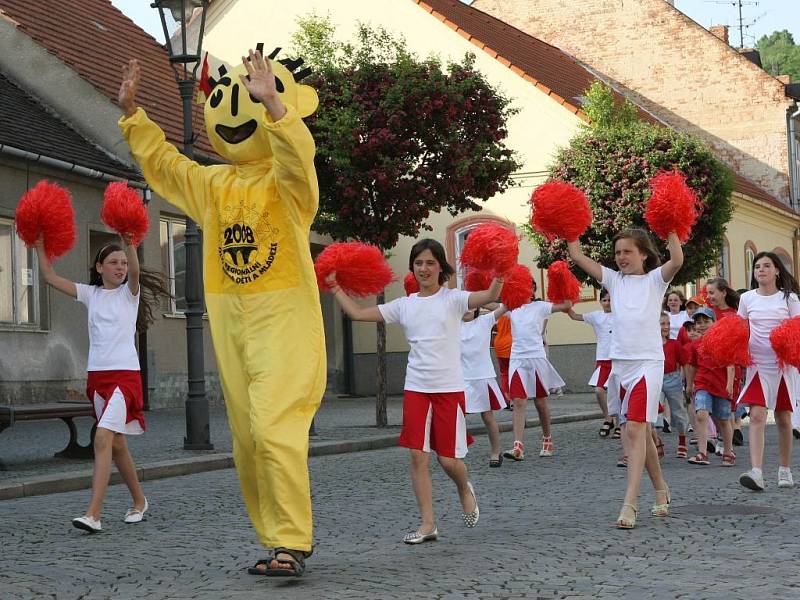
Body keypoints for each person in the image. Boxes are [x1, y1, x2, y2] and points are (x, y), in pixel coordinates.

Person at [119, 49, 326, 576]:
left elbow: (300, 163)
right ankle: (277, 537)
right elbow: (168, 167)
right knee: (248, 436)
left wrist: (275, 106)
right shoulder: (215, 187)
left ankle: (291, 540)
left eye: (250, 97)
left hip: (283, 317)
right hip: (232, 319)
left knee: (274, 425)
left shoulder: (288, 187)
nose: (238, 109)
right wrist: (133, 117)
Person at [328, 238, 502, 543]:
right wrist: (335, 287)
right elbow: (357, 314)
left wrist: (500, 269)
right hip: (417, 389)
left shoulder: (454, 299)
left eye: (430, 262)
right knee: (417, 458)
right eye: (419, 263)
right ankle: (427, 523)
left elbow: (490, 295)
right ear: (413, 268)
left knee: (448, 460)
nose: (424, 268)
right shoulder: (403, 306)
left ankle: (464, 487)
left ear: (440, 268)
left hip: (448, 389)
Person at [35, 235, 169, 533]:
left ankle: (93, 514)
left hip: (125, 377)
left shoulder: (128, 294)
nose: (120, 267)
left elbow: (135, 273)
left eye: (123, 262)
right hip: (97, 378)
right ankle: (139, 501)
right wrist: (39, 241)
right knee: (117, 444)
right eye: (113, 263)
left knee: (102, 438)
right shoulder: (89, 294)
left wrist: (130, 241)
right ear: (99, 267)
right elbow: (49, 276)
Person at [568, 228, 683, 528]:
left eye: (628, 252)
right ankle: (661, 489)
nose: (621, 257)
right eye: (618, 252)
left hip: (647, 364)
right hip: (621, 366)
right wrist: (569, 226)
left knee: (633, 430)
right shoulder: (613, 280)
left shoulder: (655, 280)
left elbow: (677, 259)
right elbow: (578, 256)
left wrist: (672, 228)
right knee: (641, 433)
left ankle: (629, 503)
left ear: (643, 253)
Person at [736, 252, 800, 491]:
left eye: (766, 266)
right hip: (757, 366)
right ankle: (757, 471)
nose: (760, 270)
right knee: (756, 415)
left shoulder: (790, 299)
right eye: (756, 267)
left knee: (783, 418)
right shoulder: (747, 299)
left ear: (776, 271)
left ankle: (784, 469)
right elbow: (739, 329)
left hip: (782, 366)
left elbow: (798, 330)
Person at [502, 280, 571, 461]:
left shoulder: (541, 307)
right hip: (517, 359)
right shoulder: (512, 308)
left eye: (528, 286)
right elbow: (488, 303)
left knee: (540, 403)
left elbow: (566, 305)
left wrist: (565, 285)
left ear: (533, 290)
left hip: (536, 358)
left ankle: (547, 439)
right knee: (518, 401)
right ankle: (518, 446)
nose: (524, 289)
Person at [685, 307, 736, 466]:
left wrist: (729, 383)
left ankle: (728, 451)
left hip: (721, 385)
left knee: (723, 420)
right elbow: (692, 366)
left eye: (706, 321)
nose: (702, 325)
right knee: (701, 414)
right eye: (698, 322)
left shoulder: (723, 341)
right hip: (702, 383)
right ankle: (702, 452)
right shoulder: (695, 345)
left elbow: (730, 364)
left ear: (715, 323)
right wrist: (689, 384)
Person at [461, 304, 508, 467]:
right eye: (463, 307)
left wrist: (514, 290)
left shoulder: (484, 321)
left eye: (470, 307)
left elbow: (505, 307)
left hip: (482, 376)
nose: (467, 310)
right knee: (458, 417)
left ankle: (496, 451)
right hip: (461, 379)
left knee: (487, 417)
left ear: (476, 310)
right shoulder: (452, 325)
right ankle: (456, 451)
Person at [568, 288, 615, 437]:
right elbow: (574, 316)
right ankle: (608, 418)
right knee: (599, 390)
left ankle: (621, 422)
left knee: (617, 393)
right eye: (604, 300)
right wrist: (566, 305)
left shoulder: (621, 315)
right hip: (602, 359)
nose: (607, 303)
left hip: (618, 359)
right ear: (600, 302)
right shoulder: (596, 316)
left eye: (610, 300)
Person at [705, 277, 745, 448]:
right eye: (708, 293)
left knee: (726, 406)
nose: (709, 296)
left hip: (730, 367)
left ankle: (726, 441)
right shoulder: (707, 314)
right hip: (710, 366)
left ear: (723, 292)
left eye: (712, 293)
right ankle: (722, 436)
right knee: (711, 405)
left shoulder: (735, 314)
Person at [659, 313, 688, 458]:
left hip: (672, 378)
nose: (666, 327)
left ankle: (682, 441)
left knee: (678, 410)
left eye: (668, 324)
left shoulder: (674, 344)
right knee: (652, 411)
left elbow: (685, 362)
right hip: (655, 380)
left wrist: (688, 382)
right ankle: (656, 442)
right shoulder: (651, 345)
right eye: (662, 324)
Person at [493, 314, 513, 409]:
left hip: (499, 344)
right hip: (511, 344)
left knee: (504, 374)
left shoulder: (499, 314)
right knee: (513, 373)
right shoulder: (514, 313)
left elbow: (495, 328)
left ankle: (506, 400)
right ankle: (513, 398)